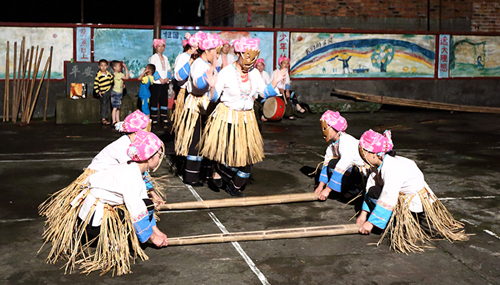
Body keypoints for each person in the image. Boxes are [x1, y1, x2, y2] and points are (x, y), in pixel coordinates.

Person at [41, 130, 168, 276]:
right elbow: (137, 210)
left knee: (146, 203)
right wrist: (152, 237)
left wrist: (156, 231)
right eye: (159, 155)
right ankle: (109, 240)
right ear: (149, 158)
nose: (160, 158)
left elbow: (143, 201)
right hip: (92, 223)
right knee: (140, 209)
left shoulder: (133, 168)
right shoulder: (131, 175)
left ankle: (112, 235)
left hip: (90, 217)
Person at [39, 110, 164, 228]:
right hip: (99, 179)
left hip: (109, 179)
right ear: (138, 132)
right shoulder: (125, 148)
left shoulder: (133, 147)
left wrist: (152, 193)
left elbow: (140, 173)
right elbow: (136, 174)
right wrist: (150, 196)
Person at [199, 37, 287, 197]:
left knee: (246, 159)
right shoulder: (226, 72)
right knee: (227, 154)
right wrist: (211, 87)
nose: (249, 64)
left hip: (247, 119)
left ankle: (233, 184)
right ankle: (217, 170)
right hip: (227, 118)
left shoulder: (254, 73)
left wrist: (273, 83)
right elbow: (214, 97)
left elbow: (263, 94)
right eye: (246, 58)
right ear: (238, 53)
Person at [356, 129, 468, 253]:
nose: (361, 155)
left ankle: (399, 222)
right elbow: (370, 186)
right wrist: (363, 214)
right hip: (405, 196)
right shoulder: (381, 163)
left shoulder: (393, 168)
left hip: (413, 202)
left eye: (363, 152)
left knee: (377, 193)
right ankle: (392, 220)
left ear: (375, 154)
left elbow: (388, 197)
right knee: (373, 190)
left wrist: (371, 223)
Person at [173, 31, 220, 186]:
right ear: (206, 51)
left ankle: (206, 173)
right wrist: (210, 74)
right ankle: (191, 177)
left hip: (208, 106)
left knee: (207, 140)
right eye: (214, 50)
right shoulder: (198, 64)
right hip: (197, 106)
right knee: (196, 141)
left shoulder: (208, 64)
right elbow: (199, 86)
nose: (216, 53)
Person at [314, 110, 367, 201]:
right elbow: (327, 161)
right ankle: (340, 187)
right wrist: (320, 185)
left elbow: (344, 164)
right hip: (348, 170)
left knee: (340, 166)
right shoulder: (332, 143)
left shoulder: (346, 141)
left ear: (335, 129)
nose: (323, 131)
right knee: (331, 163)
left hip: (360, 171)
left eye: (326, 128)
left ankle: (355, 190)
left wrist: (328, 189)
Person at [171, 32, 200, 132]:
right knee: (184, 123)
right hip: (184, 93)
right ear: (191, 47)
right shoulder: (183, 57)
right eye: (197, 48)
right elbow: (178, 77)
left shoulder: (197, 58)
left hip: (194, 94)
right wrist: (190, 62)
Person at [149, 38, 172, 127]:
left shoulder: (165, 58)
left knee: (164, 99)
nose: (161, 48)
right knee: (154, 99)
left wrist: (167, 78)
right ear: (156, 47)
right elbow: (152, 69)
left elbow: (169, 69)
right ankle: (154, 118)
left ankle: (163, 117)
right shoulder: (153, 57)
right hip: (156, 82)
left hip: (165, 82)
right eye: (159, 46)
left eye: (162, 46)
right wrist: (160, 79)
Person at [93, 59, 114, 125]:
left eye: (105, 65)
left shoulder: (109, 74)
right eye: (101, 66)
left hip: (109, 90)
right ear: (99, 66)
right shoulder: (98, 75)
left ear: (107, 66)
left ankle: (114, 118)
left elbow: (112, 81)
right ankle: (104, 118)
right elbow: (96, 85)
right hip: (103, 92)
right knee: (104, 104)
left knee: (113, 103)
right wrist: (98, 91)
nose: (103, 67)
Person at [110, 61, 130, 126]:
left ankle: (117, 120)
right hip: (116, 92)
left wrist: (126, 68)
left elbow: (127, 77)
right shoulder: (116, 74)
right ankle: (114, 121)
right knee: (115, 107)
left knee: (118, 107)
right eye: (119, 66)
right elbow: (126, 77)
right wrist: (125, 68)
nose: (120, 67)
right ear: (114, 67)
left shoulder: (119, 74)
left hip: (119, 92)